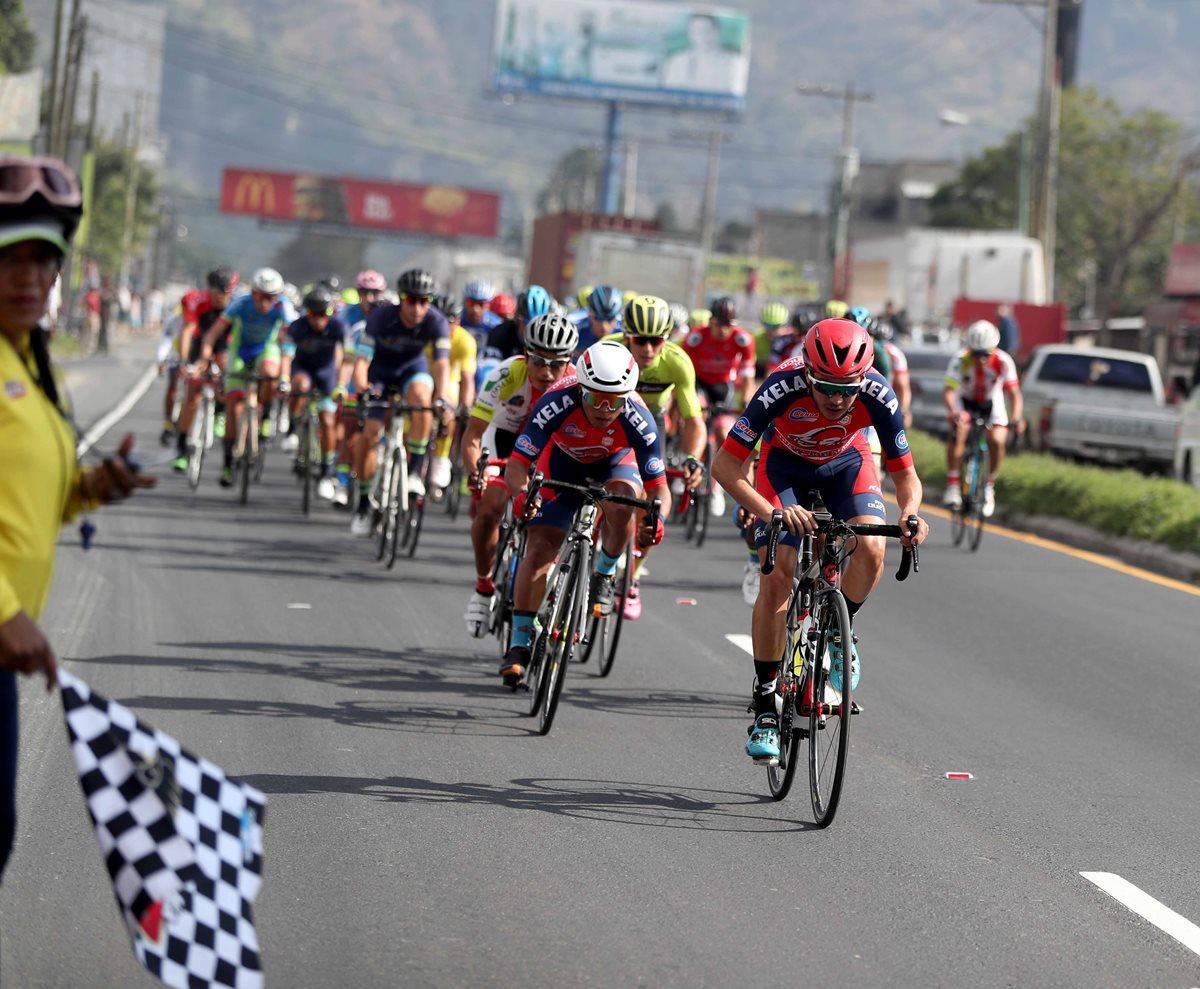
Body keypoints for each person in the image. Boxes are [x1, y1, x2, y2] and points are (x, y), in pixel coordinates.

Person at [0, 154, 155, 880]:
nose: (29, 278)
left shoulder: (29, 361)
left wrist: (94, 486)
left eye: (44, 261)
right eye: (10, 258)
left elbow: (29, 498)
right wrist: (4, 609)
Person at [710, 318, 928, 765]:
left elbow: (905, 475)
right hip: (783, 466)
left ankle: (837, 629)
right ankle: (767, 704)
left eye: (847, 389)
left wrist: (910, 513)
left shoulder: (878, 395)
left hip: (847, 462)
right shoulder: (780, 386)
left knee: (871, 546)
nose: (837, 398)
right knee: (780, 572)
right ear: (808, 373)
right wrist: (770, 512)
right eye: (826, 386)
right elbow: (726, 468)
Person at [498, 340, 671, 686]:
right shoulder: (557, 401)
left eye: (615, 401)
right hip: (562, 463)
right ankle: (519, 641)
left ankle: (603, 575)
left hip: (614, 465)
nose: (605, 409)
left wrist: (658, 519)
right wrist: (519, 495)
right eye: (596, 398)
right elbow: (518, 465)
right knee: (541, 546)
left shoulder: (640, 420)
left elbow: (658, 489)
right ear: (581, 389)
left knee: (625, 504)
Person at [461, 312, 579, 637]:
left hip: (549, 447)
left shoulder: (576, 383)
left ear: (569, 362)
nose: (546, 371)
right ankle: (485, 588)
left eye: (557, 363)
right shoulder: (506, 374)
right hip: (505, 439)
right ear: (525, 354)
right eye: (538, 360)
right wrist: (477, 473)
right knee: (490, 507)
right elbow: (472, 436)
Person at [350, 268, 451, 536]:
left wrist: (441, 397)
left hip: (412, 370)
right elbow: (361, 360)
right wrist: (362, 387)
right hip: (380, 373)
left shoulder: (437, 322)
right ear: (400, 298)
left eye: (424, 301)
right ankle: (362, 503)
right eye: (411, 300)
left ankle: (415, 472)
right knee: (370, 435)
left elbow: (441, 365)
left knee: (423, 398)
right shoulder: (381, 317)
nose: (417, 307)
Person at [198, 266, 295, 488]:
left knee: (271, 373)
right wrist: (205, 358)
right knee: (234, 408)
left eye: (270, 297)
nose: (265, 303)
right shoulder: (241, 303)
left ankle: (266, 417)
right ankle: (228, 462)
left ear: (277, 297)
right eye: (260, 296)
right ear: (253, 293)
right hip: (241, 351)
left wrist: (286, 370)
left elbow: (292, 336)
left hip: (265, 350)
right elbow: (213, 333)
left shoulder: (283, 306)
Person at [682, 296, 756, 516]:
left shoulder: (743, 340)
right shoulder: (696, 337)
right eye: (719, 324)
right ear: (710, 320)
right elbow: (684, 370)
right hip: (698, 383)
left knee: (725, 432)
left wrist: (746, 404)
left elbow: (748, 377)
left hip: (724, 387)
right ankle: (688, 460)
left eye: (729, 325)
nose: (724, 330)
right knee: (697, 419)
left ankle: (715, 489)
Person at [942, 319, 1024, 518]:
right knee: (959, 430)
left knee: (997, 439)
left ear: (994, 349)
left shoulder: (1004, 361)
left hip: (990, 402)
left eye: (985, 354)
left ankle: (989, 485)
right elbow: (949, 392)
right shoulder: (961, 360)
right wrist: (954, 412)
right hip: (966, 400)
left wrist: (1015, 418)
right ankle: (953, 484)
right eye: (976, 354)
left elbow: (1014, 394)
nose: (981, 359)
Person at [279, 285, 347, 498]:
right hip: (303, 369)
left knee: (328, 421)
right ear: (305, 312)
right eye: (312, 314)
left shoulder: (338, 327)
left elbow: (348, 359)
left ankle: (327, 472)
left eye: (323, 314)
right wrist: (283, 379)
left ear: (331, 312)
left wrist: (342, 385)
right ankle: (293, 429)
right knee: (300, 385)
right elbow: (287, 356)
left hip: (326, 373)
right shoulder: (297, 327)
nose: (318, 320)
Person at [172, 266, 238, 471]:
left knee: (225, 370)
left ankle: (220, 410)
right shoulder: (197, 301)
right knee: (192, 396)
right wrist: (184, 360)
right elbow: (188, 330)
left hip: (225, 345)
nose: (224, 298)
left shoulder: (237, 304)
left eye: (228, 293)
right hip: (199, 344)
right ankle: (181, 447)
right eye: (220, 293)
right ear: (211, 289)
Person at [571, 284, 621, 354]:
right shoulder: (575, 326)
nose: (604, 326)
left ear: (616, 317)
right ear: (589, 315)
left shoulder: (623, 329)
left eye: (610, 319)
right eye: (598, 318)